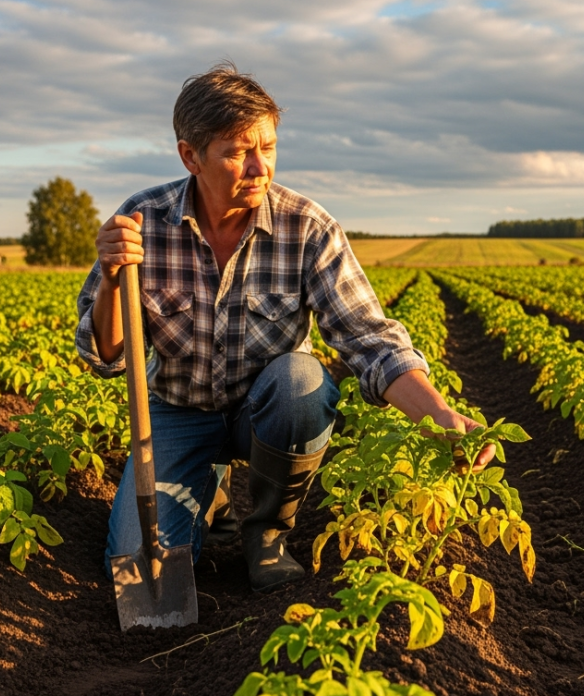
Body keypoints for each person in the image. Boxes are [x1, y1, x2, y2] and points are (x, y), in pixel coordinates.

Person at [75, 62, 493, 593]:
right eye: (236, 152)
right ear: (190, 156)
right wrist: (114, 279)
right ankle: (210, 489)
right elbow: (107, 356)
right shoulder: (142, 222)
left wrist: (438, 414)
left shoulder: (307, 227)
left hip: (265, 414)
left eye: (267, 148)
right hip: (178, 412)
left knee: (303, 384)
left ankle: (268, 531)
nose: (259, 167)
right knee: (138, 564)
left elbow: (369, 339)